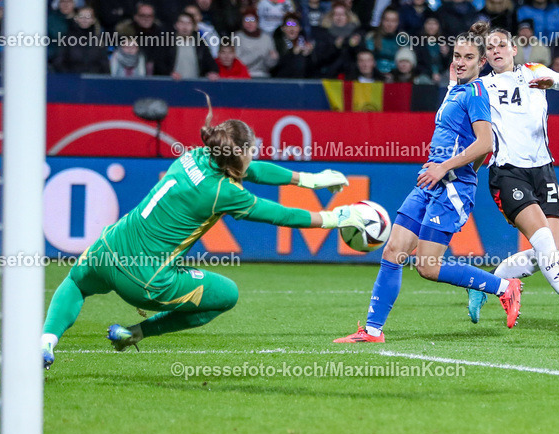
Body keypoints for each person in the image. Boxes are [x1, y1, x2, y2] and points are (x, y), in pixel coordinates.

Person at [41, 103, 369, 368]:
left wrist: (311, 180)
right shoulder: (223, 192)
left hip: (108, 248)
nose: (253, 157)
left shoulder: (195, 155)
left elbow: (253, 170)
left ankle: (46, 342)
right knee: (226, 294)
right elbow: (280, 215)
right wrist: (335, 217)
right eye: (251, 151)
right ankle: (137, 333)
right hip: (146, 280)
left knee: (75, 283)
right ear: (239, 154)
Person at [333, 25, 524, 343]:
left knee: (428, 267)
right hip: (429, 182)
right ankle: (372, 330)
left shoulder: (476, 94)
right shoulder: (456, 88)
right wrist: (441, 170)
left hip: (450, 188)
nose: (460, 62)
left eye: (469, 57)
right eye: (457, 56)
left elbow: (485, 143)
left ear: (482, 62)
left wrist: (449, 170)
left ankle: (504, 287)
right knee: (393, 250)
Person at [465, 25, 559, 329]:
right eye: (490, 47)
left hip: (544, 170)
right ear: (486, 57)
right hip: (507, 172)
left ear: (514, 49)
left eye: (502, 45)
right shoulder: (481, 86)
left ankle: (484, 284)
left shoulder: (533, 70)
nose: (497, 50)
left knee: (549, 251)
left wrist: (551, 80)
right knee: (543, 242)